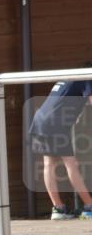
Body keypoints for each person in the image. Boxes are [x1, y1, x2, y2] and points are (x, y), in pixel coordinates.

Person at [29, 79, 92, 219]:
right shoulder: (87, 80)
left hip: (40, 120)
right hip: (55, 123)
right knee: (71, 164)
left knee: (49, 164)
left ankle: (58, 208)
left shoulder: (67, 79)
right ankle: (89, 206)